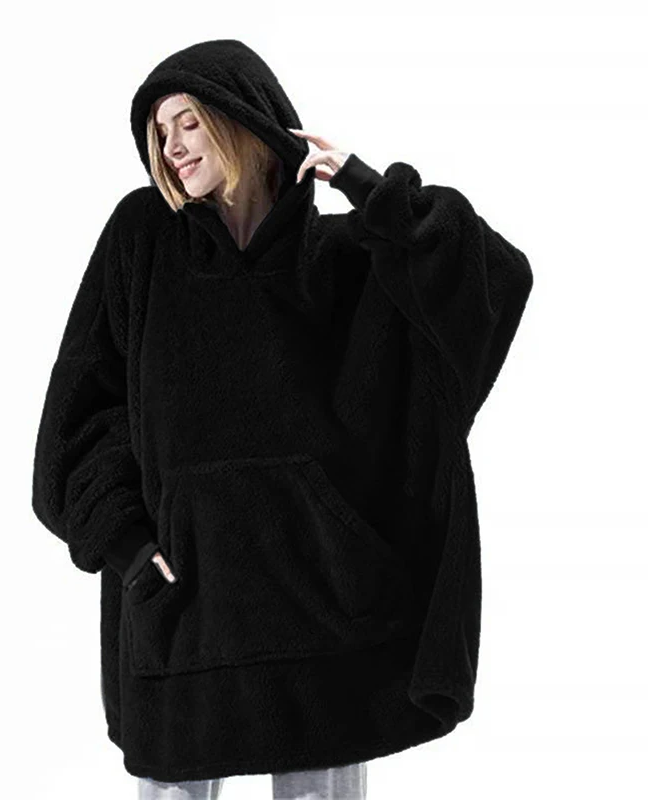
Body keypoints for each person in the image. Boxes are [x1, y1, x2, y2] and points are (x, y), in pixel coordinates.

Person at [31, 39, 533, 797]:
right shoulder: (143, 238)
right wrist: (128, 545)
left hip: (322, 614)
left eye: (188, 122)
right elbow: (81, 413)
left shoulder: (339, 258)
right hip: (183, 608)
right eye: (160, 132)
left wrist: (368, 188)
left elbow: (490, 277)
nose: (171, 147)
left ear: (242, 120)